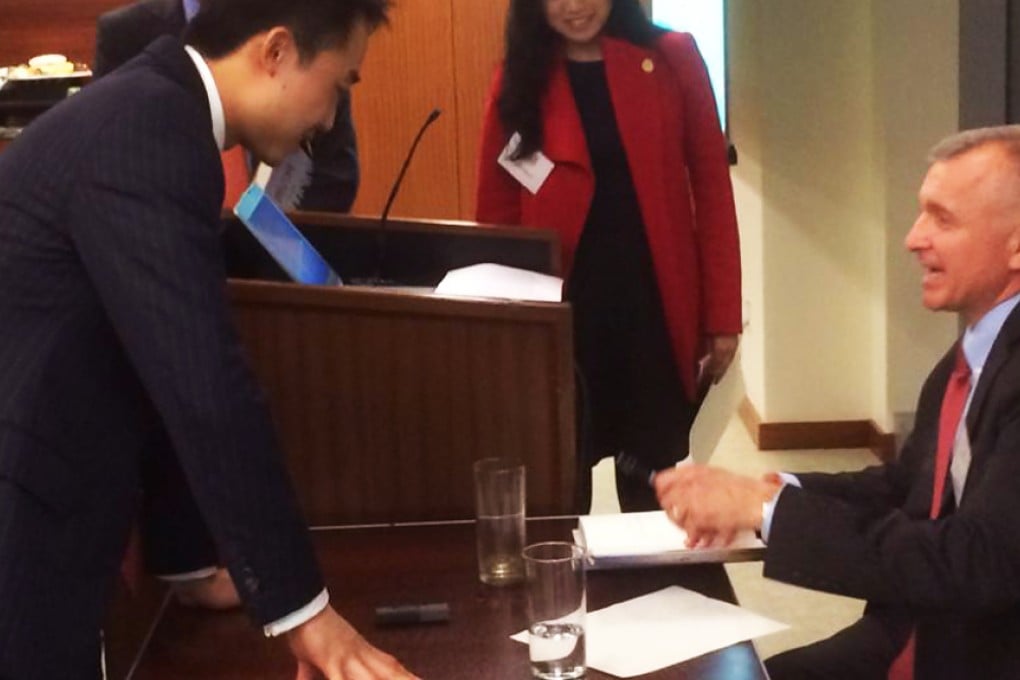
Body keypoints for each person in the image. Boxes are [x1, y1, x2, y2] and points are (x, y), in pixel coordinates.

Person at [0, 1, 418, 678]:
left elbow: (151, 360)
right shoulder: (149, 131)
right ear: (276, 52)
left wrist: (186, 559)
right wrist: (306, 613)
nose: (331, 119)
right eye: (340, 84)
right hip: (23, 507)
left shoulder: (161, 112)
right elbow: (204, 384)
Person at [655, 125, 1020, 679]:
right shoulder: (968, 356)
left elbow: (978, 561)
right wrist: (767, 489)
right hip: (914, 632)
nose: (913, 238)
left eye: (942, 219)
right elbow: (904, 490)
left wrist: (764, 513)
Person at [474, 0, 742, 512]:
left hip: (652, 306)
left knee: (650, 481)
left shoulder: (671, 56)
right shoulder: (521, 74)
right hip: (562, 309)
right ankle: (565, 589)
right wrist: (498, 321)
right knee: (557, 477)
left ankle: (656, 589)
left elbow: (711, 188)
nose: (574, 7)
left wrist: (722, 314)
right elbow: (498, 211)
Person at [94, 0, 361, 212]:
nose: (328, 118)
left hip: (272, 262)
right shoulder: (127, 35)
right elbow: (110, 169)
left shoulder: (308, 21)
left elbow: (333, 175)